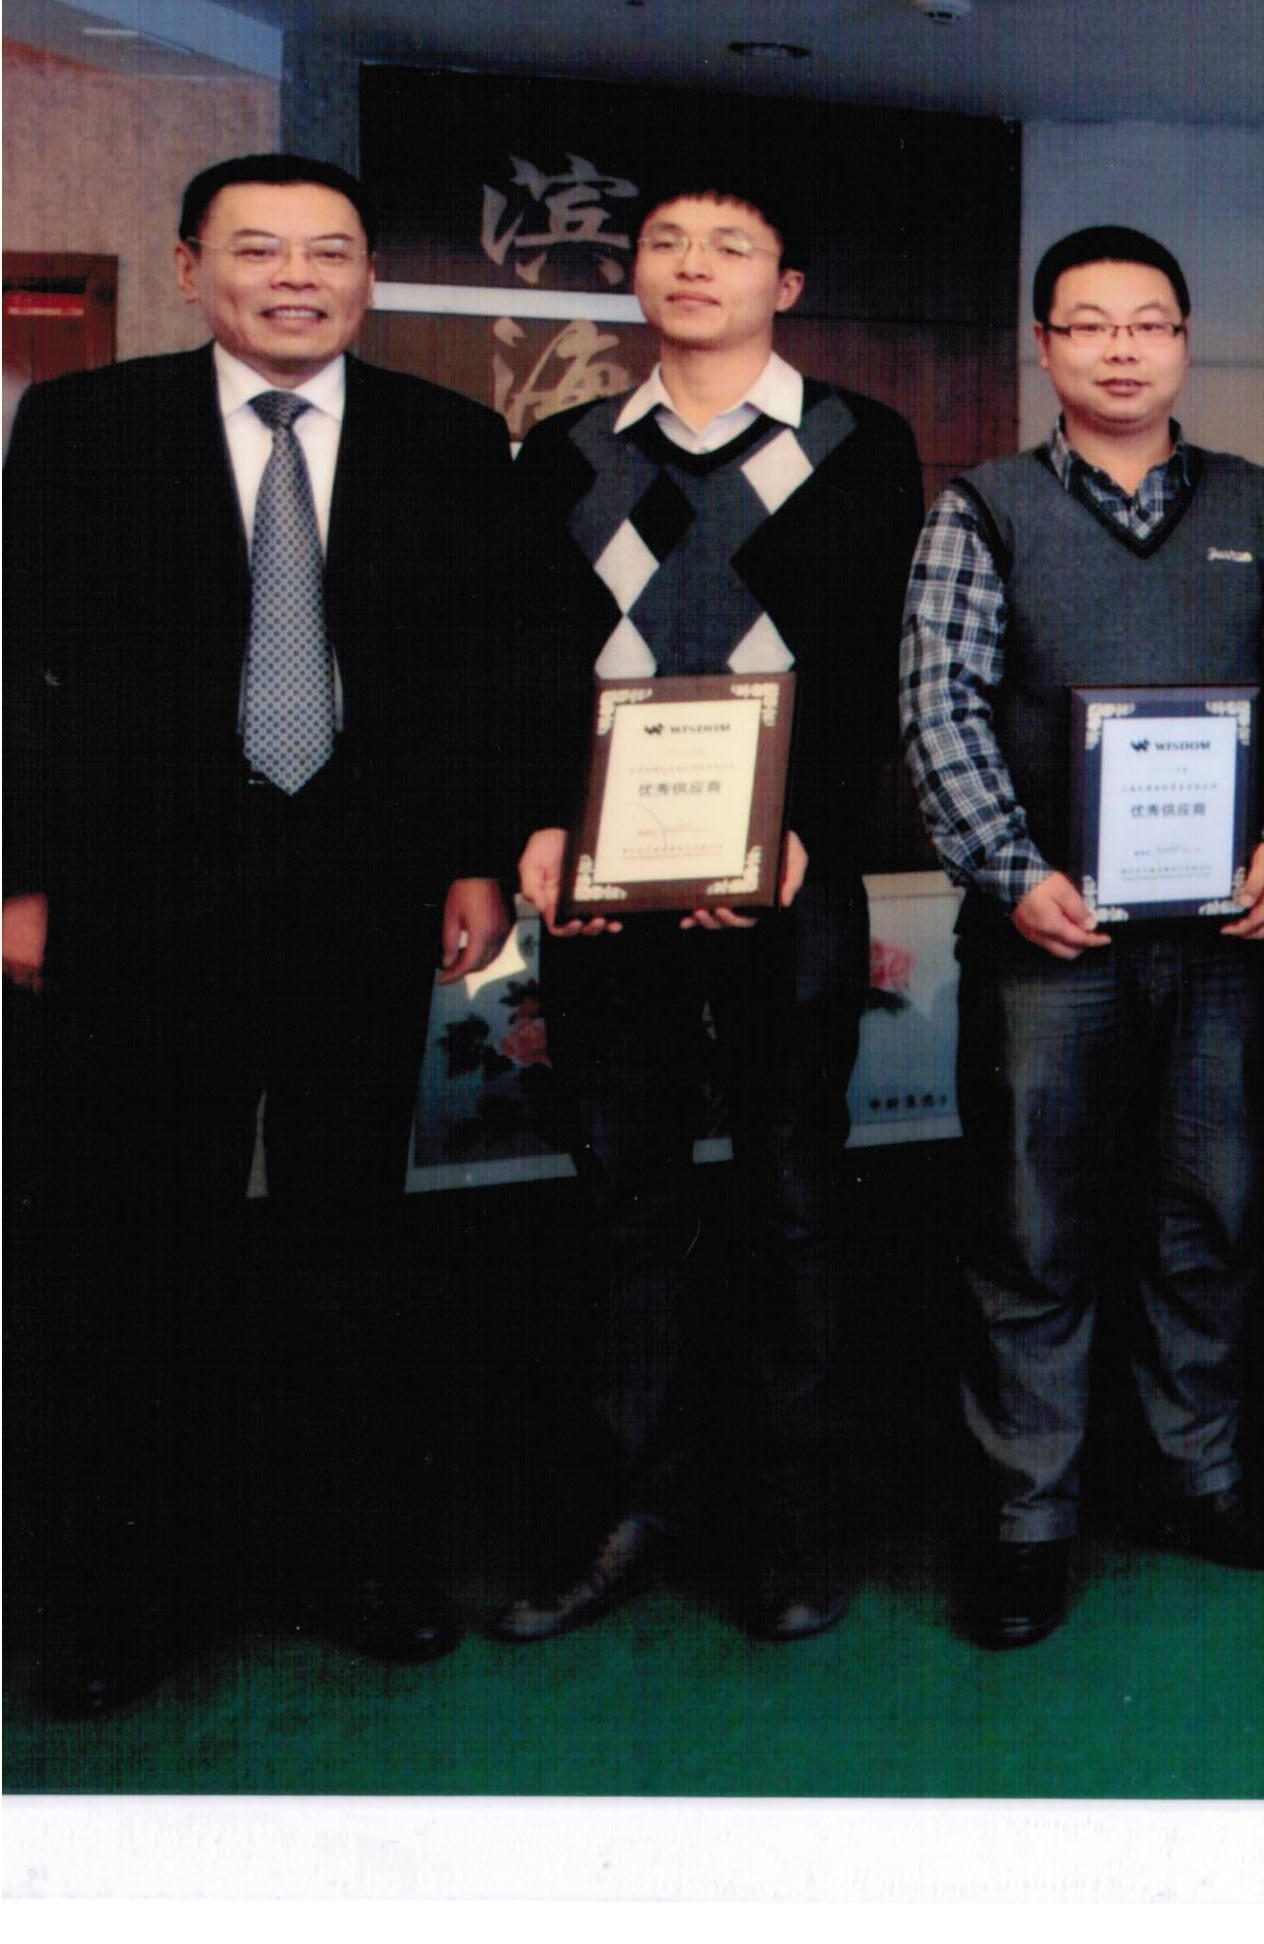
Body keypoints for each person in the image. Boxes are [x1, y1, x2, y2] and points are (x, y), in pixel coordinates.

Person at [3, 153, 517, 1716]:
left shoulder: (445, 436)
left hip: (361, 899)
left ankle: (352, 1558)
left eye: (330, 251)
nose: (298, 278)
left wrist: (474, 859)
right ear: (189, 267)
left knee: (347, 1241)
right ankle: (128, 1591)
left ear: (368, 276)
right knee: (132, 1246)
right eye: (260, 249)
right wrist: (18, 877)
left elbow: (477, 666)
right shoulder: (87, 424)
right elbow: (16, 656)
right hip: (138, 901)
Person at [503, 182, 927, 1645]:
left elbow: (867, 662)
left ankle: (786, 1522)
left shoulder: (859, 442)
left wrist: (803, 828)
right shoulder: (566, 448)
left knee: (792, 1196)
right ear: (635, 272)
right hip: (604, 887)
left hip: (788, 876)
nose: (695, 267)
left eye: (731, 246)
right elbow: (527, 657)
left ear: (785, 283)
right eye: (668, 244)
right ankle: (633, 1511)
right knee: (625, 1204)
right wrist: (540, 822)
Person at [904, 223, 1264, 1651]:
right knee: (1033, 1228)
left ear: (1185, 341)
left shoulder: (1263, 505)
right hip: (1049, 935)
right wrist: (1011, 871)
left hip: (1219, 938)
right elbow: (940, 705)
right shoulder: (984, 508)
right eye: (1088, 324)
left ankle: (1198, 1478)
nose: (1121, 348)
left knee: (1208, 1213)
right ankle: (1029, 1518)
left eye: (1149, 322)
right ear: (1047, 347)